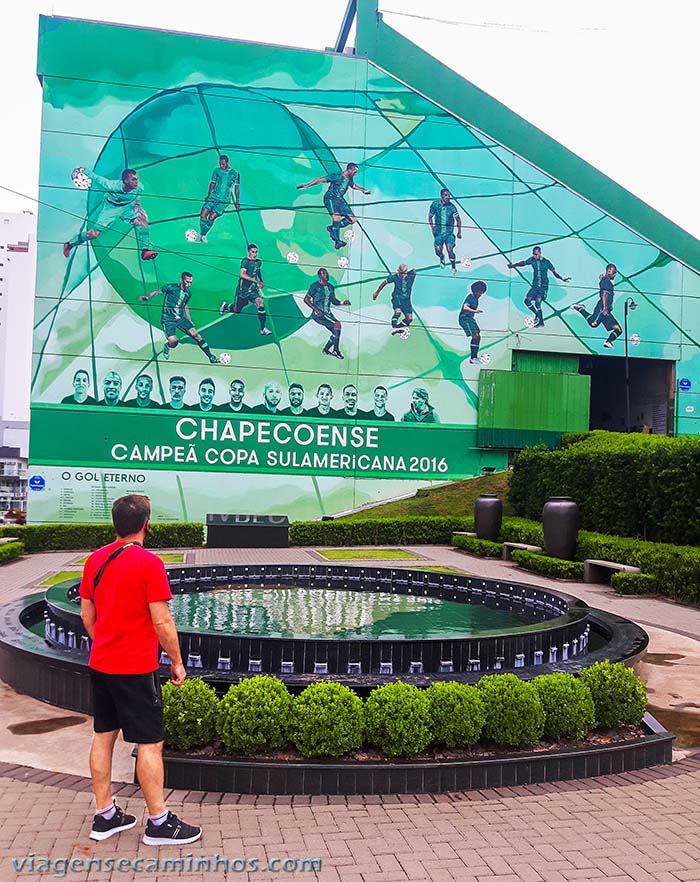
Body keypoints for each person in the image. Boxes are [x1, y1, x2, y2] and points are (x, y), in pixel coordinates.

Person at [79, 494, 201, 845]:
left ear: (115, 524)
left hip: (101, 663)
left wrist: (105, 641)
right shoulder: (149, 564)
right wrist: (177, 662)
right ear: (147, 524)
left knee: (103, 735)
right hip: (134, 668)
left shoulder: (94, 560)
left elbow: (88, 615)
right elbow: (162, 621)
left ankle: (105, 816)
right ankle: (159, 823)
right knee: (150, 743)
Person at [64, 168, 157, 262]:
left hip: (127, 207)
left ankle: (145, 251)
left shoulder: (140, 187)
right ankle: (70, 244)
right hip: (111, 208)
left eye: (137, 179)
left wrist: (137, 205)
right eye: (133, 179)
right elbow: (97, 178)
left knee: (143, 224)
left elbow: (137, 196)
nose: (136, 181)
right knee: (94, 234)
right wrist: (84, 171)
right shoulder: (111, 185)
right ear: (125, 181)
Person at [140, 272, 218, 364]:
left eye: (190, 282)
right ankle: (168, 346)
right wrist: (147, 297)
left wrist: (189, 320)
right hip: (168, 320)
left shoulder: (188, 294)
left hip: (180, 319)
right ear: (181, 280)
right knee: (174, 342)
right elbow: (157, 292)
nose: (189, 285)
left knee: (197, 336)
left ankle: (210, 356)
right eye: (187, 282)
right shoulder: (171, 287)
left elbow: (185, 306)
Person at [296, 163, 370, 248]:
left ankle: (332, 228)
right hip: (331, 198)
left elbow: (353, 185)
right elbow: (320, 179)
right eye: (355, 171)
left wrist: (363, 190)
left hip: (340, 200)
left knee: (352, 219)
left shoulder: (349, 179)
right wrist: (307, 185)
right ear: (349, 170)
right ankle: (337, 241)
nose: (355, 174)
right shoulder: (337, 176)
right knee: (336, 218)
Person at [507, 246, 571, 328]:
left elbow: (554, 272)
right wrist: (513, 265)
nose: (535, 256)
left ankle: (541, 322)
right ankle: (537, 314)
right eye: (533, 254)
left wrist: (562, 278)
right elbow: (523, 263)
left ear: (540, 253)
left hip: (543, 286)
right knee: (527, 301)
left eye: (536, 254)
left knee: (538, 302)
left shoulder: (546, 262)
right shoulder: (532, 260)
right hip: (535, 285)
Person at [219, 244, 271, 336]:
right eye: (252, 252)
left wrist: (261, 281)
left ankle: (263, 329)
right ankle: (225, 306)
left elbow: (257, 270)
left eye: (256, 252)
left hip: (253, 291)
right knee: (236, 310)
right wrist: (254, 280)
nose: (255, 254)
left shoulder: (258, 262)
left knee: (261, 305)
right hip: (242, 291)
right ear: (248, 252)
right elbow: (242, 274)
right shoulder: (245, 261)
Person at [572, 264, 622, 349]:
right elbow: (604, 294)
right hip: (602, 308)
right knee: (593, 323)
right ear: (609, 271)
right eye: (614, 273)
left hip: (607, 310)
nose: (614, 275)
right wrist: (605, 308)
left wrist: (602, 278)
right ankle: (580, 309)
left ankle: (608, 341)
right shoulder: (606, 282)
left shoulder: (605, 281)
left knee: (618, 329)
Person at [304, 268, 350, 359]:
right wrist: (316, 309)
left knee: (335, 332)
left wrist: (342, 303)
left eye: (326, 273)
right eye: (324, 273)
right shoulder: (315, 286)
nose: (326, 275)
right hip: (319, 314)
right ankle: (335, 350)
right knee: (337, 325)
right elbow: (306, 299)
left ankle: (326, 349)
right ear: (320, 276)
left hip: (328, 313)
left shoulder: (330, 287)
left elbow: (333, 301)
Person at [197, 155, 240, 242]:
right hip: (213, 197)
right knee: (203, 215)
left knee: (211, 217)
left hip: (223, 200)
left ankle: (203, 235)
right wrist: (208, 195)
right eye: (220, 164)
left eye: (223, 164)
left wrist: (237, 202)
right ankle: (201, 233)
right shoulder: (217, 171)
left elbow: (236, 189)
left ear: (227, 163)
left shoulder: (235, 173)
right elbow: (212, 183)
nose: (221, 166)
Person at [373, 265, 416, 336]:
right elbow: (384, 283)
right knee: (398, 312)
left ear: (406, 272)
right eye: (400, 273)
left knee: (409, 318)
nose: (401, 275)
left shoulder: (411, 276)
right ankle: (394, 327)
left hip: (406, 300)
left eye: (403, 273)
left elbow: (414, 271)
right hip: (397, 298)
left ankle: (398, 328)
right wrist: (377, 292)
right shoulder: (395, 277)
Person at [428, 189, 461, 275]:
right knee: (438, 250)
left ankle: (453, 266)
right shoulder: (435, 205)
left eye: (449, 195)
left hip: (448, 233)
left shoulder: (452, 207)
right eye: (446, 195)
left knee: (450, 249)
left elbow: (458, 219)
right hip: (438, 233)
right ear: (441, 196)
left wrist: (459, 231)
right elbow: (430, 217)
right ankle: (442, 257)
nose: (448, 197)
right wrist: (432, 228)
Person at [459, 280, 487, 364]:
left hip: (470, 319)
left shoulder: (476, 300)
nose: (480, 294)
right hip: (465, 319)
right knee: (475, 336)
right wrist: (474, 311)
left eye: (482, 293)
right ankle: (473, 358)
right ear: (475, 291)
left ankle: (474, 356)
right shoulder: (470, 297)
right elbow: (465, 307)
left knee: (478, 335)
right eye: (479, 292)